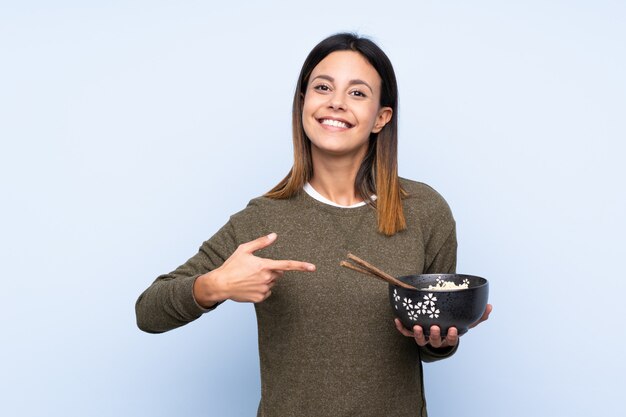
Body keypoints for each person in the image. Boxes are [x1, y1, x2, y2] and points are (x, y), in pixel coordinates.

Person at [135, 32, 492, 417]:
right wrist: (213, 285)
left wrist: (439, 341)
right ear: (304, 103)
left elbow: (431, 341)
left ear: (380, 118)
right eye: (323, 87)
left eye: (357, 93)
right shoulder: (262, 219)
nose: (336, 102)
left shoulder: (425, 210)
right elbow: (148, 312)